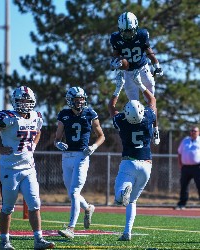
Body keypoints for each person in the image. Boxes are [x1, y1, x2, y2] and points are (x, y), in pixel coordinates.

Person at [0, 86, 55, 250]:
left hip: (29, 168)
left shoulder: (36, 116)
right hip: (9, 168)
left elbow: (38, 131)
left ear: (33, 101)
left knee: (35, 204)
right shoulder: (8, 117)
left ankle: (38, 240)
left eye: (27, 101)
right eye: (21, 100)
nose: (25, 104)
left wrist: (34, 145)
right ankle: (4, 241)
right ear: (14, 101)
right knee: (8, 207)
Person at [108, 73, 157, 241]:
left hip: (129, 162)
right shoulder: (147, 118)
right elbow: (152, 102)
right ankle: (127, 232)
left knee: (118, 196)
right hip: (146, 165)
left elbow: (111, 107)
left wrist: (118, 88)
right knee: (133, 201)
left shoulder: (122, 121)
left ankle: (122, 192)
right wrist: (142, 86)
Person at [54, 86, 105, 239]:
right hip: (67, 156)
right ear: (70, 100)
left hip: (82, 156)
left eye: (82, 99)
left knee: (75, 192)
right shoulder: (64, 114)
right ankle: (88, 207)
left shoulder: (90, 113)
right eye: (77, 99)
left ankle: (71, 228)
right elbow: (57, 138)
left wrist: (94, 146)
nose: (80, 102)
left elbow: (101, 135)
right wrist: (58, 144)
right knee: (71, 193)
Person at [109, 11, 163, 146]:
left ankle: (155, 129)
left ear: (136, 27)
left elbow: (148, 50)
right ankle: (137, 132)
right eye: (124, 32)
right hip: (128, 73)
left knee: (151, 101)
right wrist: (115, 62)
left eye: (129, 31)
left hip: (143, 69)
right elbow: (115, 55)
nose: (127, 35)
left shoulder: (142, 34)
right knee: (134, 105)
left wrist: (156, 64)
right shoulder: (115, 38)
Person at [175, 126, 200, 210]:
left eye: (195, 131)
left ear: (198, 132)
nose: (193, 132)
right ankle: (182, 204)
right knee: (184, 186)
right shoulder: (185, 140)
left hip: (197, 167)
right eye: (192, 131)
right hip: (185, 168)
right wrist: (180, 164)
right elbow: (179, 152)